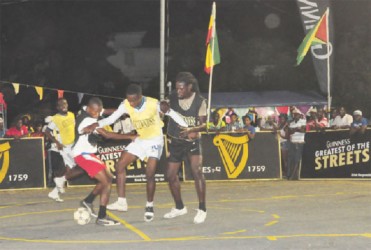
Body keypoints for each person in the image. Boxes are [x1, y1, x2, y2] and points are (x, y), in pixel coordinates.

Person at [82, 83, 187, 222]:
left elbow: (177, 118)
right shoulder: (125, 104)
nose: (130, 103)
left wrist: (179, 120)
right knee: (119, 166)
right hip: (141, 139)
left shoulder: (153, 103)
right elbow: (111, 119)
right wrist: (97, 124)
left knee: (149, 173)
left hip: (155, 140)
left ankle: (149, 206)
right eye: (129, 100)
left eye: (133, 100)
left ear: (140, 97)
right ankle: (121, 201)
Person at [73, 97, 133, 226]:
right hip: (82, 155)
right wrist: (131, 136)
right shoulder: (87, 120)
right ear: (89, 109)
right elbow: (107, 135)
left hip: (88, 153)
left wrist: (124, 111)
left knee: (109, 177)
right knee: (106, 183)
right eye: (95, 112)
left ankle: (88, 201)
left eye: (98, 112)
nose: (97, 115)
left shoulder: (90, 110)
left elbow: (105, 112)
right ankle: (102, 217)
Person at [161, 72, 208, 224]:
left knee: (197, 171)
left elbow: (204, 125)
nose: (178, 91)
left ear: (190, 87)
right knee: (170, 175)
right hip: (176, 141)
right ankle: (180, 207)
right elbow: (162, 110)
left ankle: (202, 209)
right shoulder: (173, 97)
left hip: (192, 141)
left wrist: (192, 130)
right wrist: (162, 108)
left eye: (181, 88)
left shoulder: (200, 101)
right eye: (177, 88)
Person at [45, 98, 84, 201]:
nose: (63, 105)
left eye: (65, 103)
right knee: (81, 165)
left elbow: (75, 128)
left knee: (70, 169)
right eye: (61, 104)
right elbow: (47, 131)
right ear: (57, 107)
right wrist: (57, 142)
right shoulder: (56, 119)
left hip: (74, 145)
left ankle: (55, 191)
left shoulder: (71, 114)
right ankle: (59, 182)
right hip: (65, 147)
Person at [287, 108, 306, 180]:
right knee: (290, 159)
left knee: (297, 159)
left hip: (299, 142)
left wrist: (295, 129)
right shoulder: (291, 123)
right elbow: (289, 132)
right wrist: (297, 129)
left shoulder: (303, 121)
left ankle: (292, 176)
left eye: (296, 115)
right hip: (293, 142)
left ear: (299, 115)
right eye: (294, 115)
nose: (295, 116)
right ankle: (290, 174)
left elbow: (303, 130)